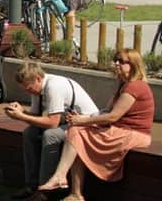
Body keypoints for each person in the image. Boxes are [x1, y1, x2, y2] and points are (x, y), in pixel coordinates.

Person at [37, 49, 154, 200]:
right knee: (76, 135)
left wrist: (82, 121)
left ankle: (64, 181)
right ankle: (74, 192)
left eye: (121, 61)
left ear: (132, 65)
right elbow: (106, 111)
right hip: (120, 130)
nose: (116, 63)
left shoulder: (135, 87)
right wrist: (83, 117)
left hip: (133, 135)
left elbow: (113, 116)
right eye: (115, 60)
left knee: (76, 132)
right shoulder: (124, 85)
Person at [5, 61, 99, 201]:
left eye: (29, 88)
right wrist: (21, 111)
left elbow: (52, 123)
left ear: (38, 78)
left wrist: (21, 116)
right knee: (29, 133)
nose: (27, 91)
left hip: (86, 124)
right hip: (68, 122)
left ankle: (45, 191)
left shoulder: (53, 86)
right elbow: (38, 118)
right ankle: (31, 185)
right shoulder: (38, 88)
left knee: (51, 135)